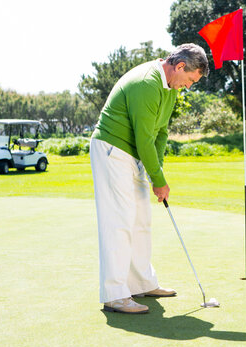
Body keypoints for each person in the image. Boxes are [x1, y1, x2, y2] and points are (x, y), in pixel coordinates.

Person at [89, 44, 209, 314]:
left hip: (136, 156)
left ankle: (141, 283)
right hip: (112, 150)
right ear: (179, 67)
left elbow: (161, 133)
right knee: (119, 221)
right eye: (190, 80)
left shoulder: (170, 91)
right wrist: (157, 179)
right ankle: (115, 294)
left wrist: (158, 173)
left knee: (141, 219)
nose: (188, 86)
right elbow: (144, 137)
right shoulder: (147, 83)